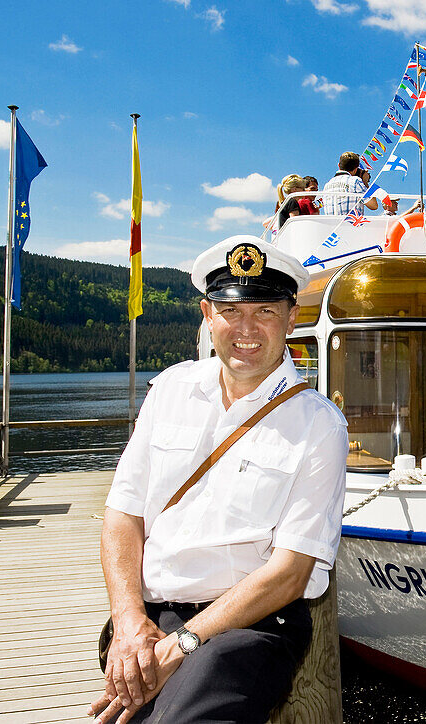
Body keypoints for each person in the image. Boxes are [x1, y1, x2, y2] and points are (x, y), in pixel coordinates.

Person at [88, 235, 348, 724]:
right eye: (231, 311)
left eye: (265, 311)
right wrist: (127, 621)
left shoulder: (320, 426)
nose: (246, 329)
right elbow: (122, 514)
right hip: (154, 616)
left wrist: (181, 647)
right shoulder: (170, 390)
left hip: (250, 627)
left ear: (292, 318)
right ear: (208, 315)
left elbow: (290, 572)